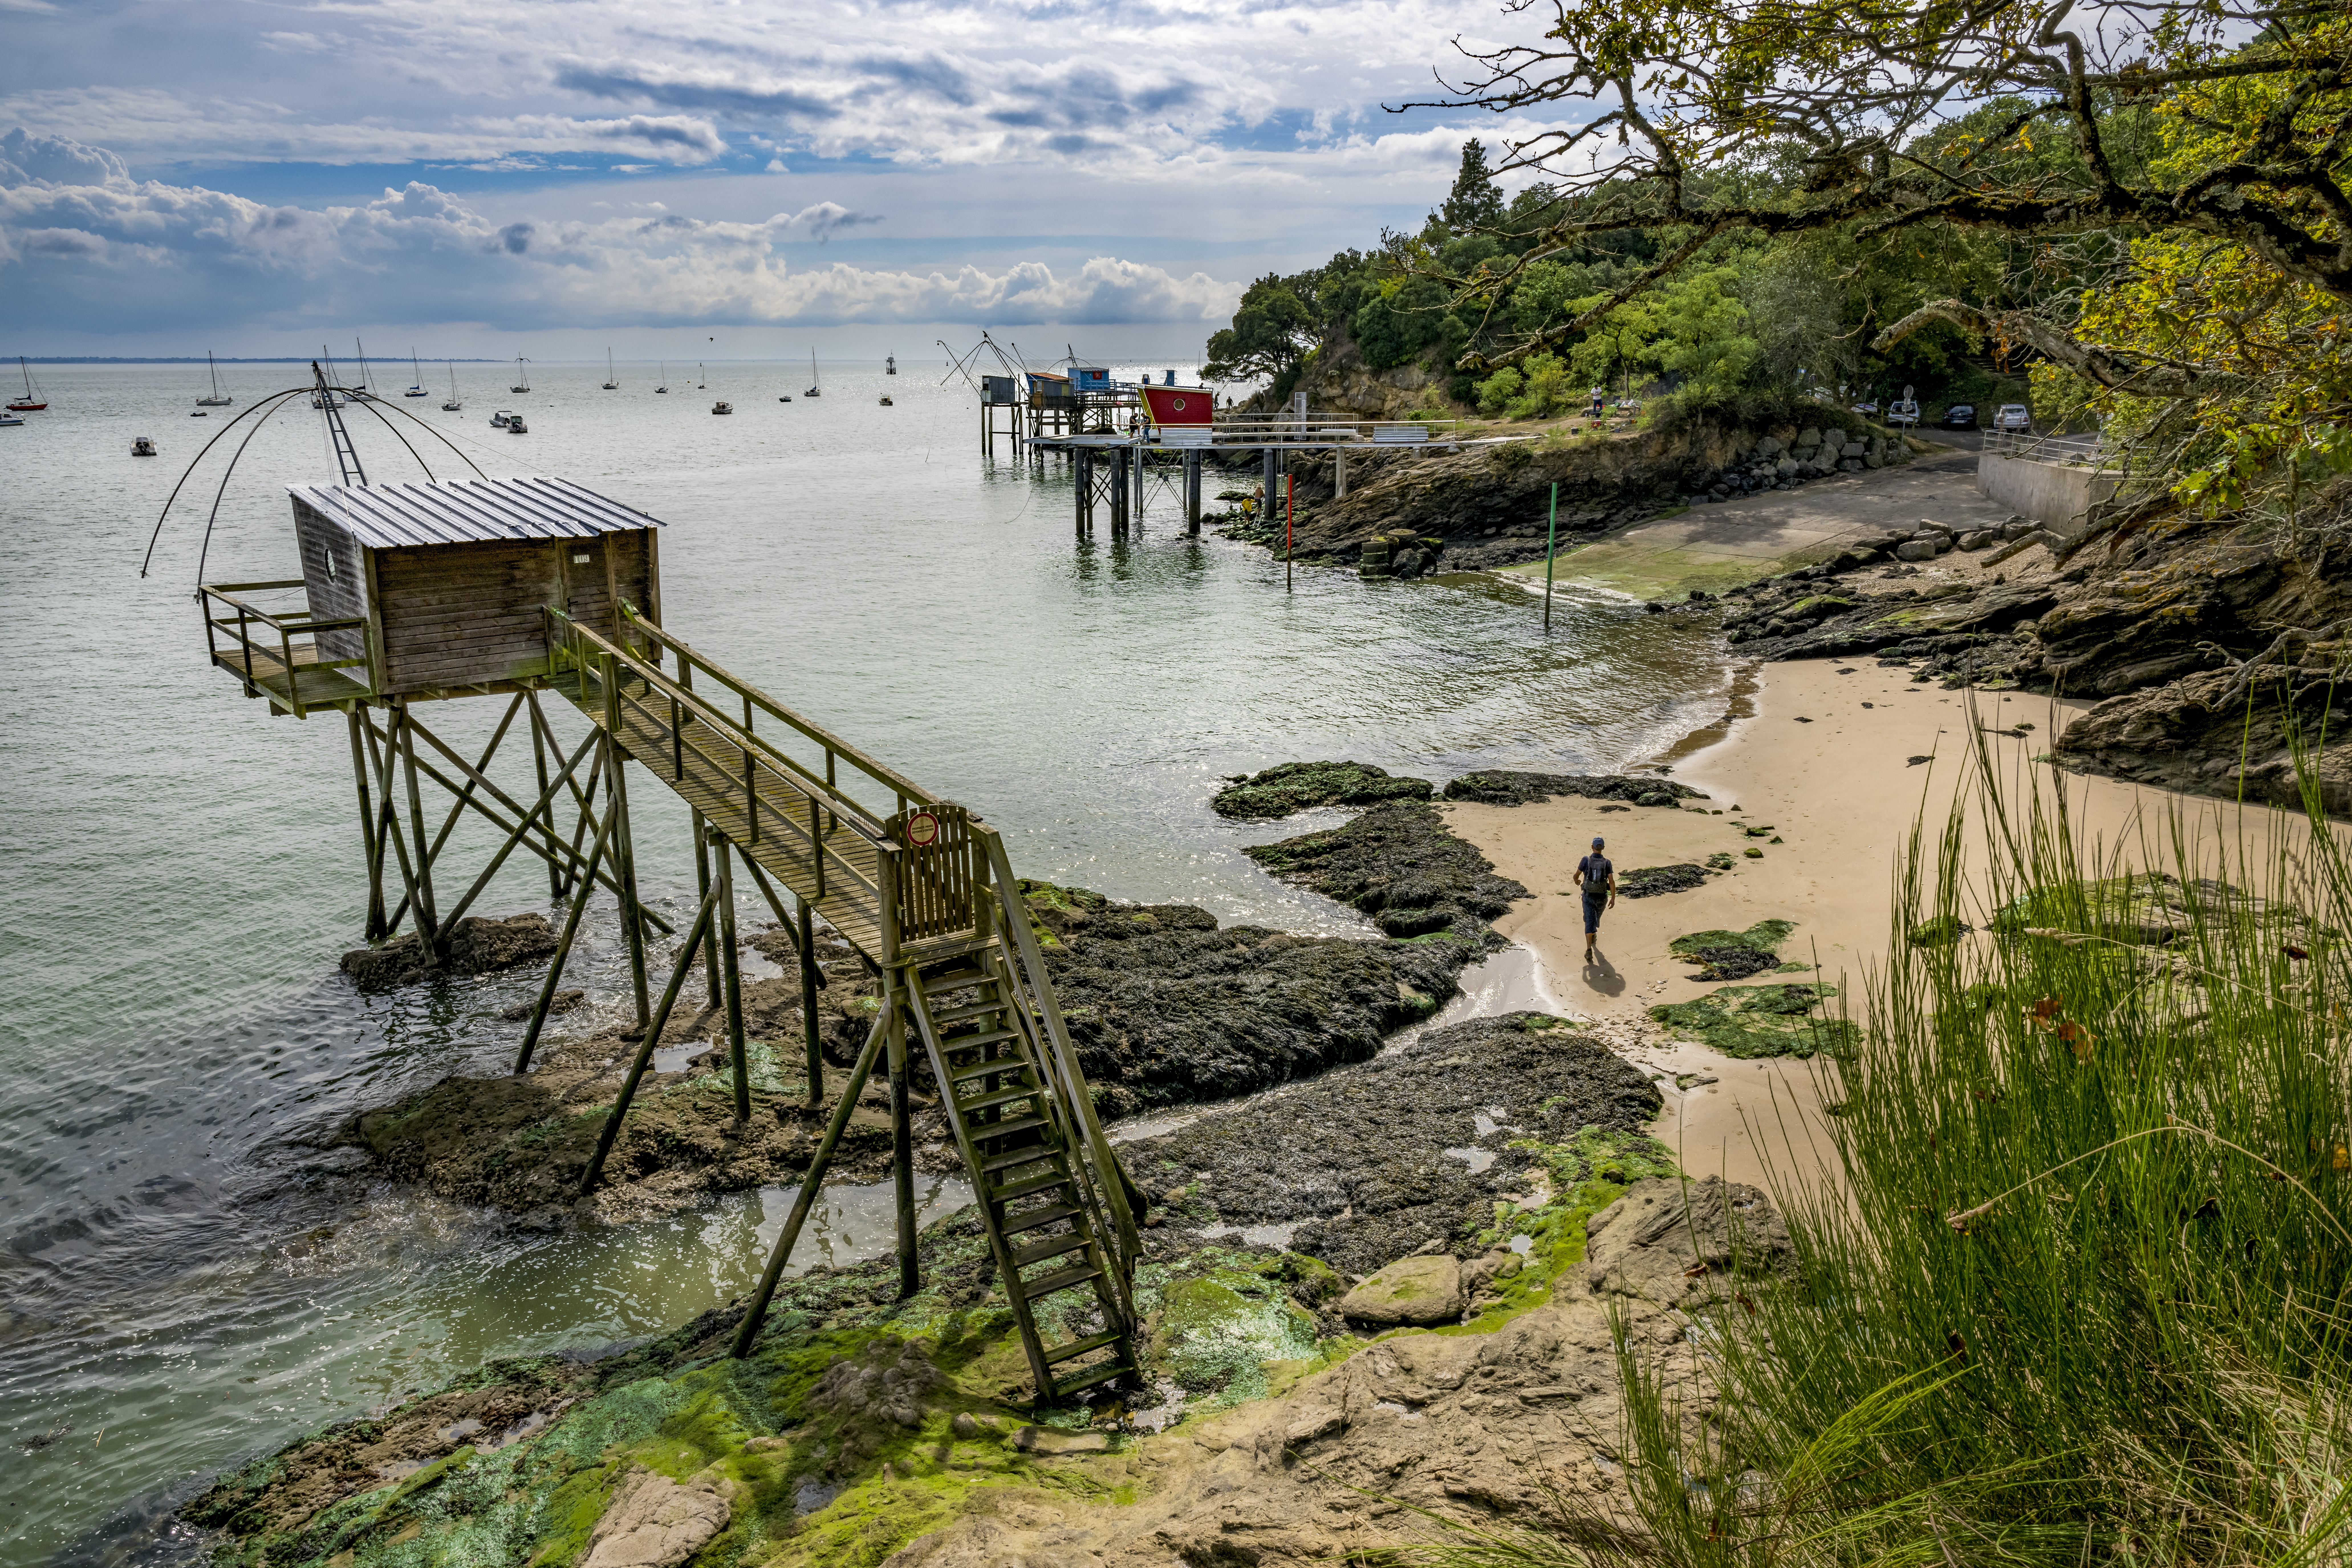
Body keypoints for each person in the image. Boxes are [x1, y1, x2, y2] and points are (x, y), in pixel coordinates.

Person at [1572, 835, 1616, 961]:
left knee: (1589, 921)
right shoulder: (1607, 863)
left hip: (1589, 896)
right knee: (1595, 919)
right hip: (1602, 898)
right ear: (1603, 848)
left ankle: (1588, 950)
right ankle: (1593, 935)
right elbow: (1612, 882)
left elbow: (1576, 876)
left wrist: (1577, 881)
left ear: (1592, 847)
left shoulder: (1586, 860)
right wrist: (1613, 898)